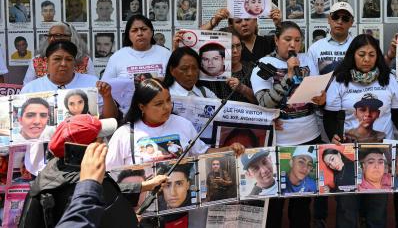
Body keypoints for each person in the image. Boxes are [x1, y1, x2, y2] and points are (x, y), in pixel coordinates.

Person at [324, 34, 398, 228]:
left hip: (380, 154)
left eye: (372, 55)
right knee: (347, 208)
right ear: (353, 55)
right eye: (362, 54)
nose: (367, 59)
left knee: (377, 208)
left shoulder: (388, 79)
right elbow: (330, 115)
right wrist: (333, 134)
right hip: (348, 155)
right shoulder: (341, 80)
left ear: (378, 56)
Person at [250, 21, 322, 227]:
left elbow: (315, 92)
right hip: (279, 140)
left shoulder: (308, 59)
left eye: (297, 40)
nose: (293, 45)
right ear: (276, 40)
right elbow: (265, 103)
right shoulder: (263, 65)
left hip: (309, 135)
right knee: (275, 199)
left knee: (302, 198)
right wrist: (289, 75)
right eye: (287, 39)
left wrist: (321, 98)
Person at [18, 118, 147, 228]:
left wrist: (143, 186)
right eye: (100, 139)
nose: (104, 143)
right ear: (87, 149)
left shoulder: (49, 173)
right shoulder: (98, 185)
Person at [106, 78, 243, 168]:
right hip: (140, 209)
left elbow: (201, 154)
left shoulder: (183, 124)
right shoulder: (124, 134)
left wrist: (228, 150)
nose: (167, 107)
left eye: (168, 100)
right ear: (142, 107)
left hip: (180, 206)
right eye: (159, 104)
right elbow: (112, 172)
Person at [22, 41, 117, 117]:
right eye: (57, 59)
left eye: (68, 59)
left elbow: (110, 118)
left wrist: (107, 96)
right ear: (47, 61)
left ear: (74, 62)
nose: (63, 63)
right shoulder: (31, 89)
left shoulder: (92, 83)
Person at [102, 15, 170, 81]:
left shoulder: (165, 54)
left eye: (144, 29)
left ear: (152, 32)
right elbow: (105, 86)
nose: (140, 33)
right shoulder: (117, 57)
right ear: (128, 35)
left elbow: (175, 84)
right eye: (134, 30)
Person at [203, 6, 281, 63]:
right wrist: (214, 21)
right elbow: (194, 38)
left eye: (247, 19)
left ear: (256, 20)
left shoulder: (268, 41)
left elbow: (289, 43)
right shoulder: (225, 41)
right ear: (231, 25)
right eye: (238, 21)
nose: (244, 23)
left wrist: (278, 24)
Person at [24, 22, 95, 83]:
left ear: (71, 37)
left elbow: (93, 86)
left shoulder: (85, 60)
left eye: (57, 35)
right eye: (50, 36)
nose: (52, 39)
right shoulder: (36, 60)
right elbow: (27, 88)